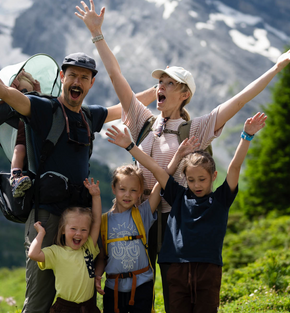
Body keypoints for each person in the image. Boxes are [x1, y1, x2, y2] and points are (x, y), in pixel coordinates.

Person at [76, 0, 290, 311]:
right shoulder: (141, 119)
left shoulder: (198, 128)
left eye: (168, 83)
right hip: (138, 212)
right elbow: (116, 76)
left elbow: (240, 99)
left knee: (171, 285)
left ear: (184, 93)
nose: (159, 86)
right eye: (158, 81)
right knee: (131, 283)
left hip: (174, 216)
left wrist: (277, 66)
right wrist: (97, 34)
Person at [0, 30, 155, 313]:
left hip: (81, 217)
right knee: (41, 295)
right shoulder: (42, 108)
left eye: (84, 77)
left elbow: (125, 106)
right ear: (62, 77)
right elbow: (4, 92)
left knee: (82, 294)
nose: (77, 81)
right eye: (72, 75)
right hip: (46, 216)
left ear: (91, 83)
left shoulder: (89, 115)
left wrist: (157, 91)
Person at [106, 111, 267, 313]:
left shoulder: (221, 199)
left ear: (214, 176)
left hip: (208, 269)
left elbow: (234, 167)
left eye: (202, 179)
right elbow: (156, 169)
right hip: (175, 268)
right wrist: (130, 146)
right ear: (185, 179)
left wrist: (246, 136)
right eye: (191, 180)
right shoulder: (178, 196)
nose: (196, 184)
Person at [94, 163, 189, 313]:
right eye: (122, 189)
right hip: (113, 287)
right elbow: (101, 257)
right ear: (113, 189)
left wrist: (177, 157)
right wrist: (98, 275)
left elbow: (161, 182)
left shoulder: (142, 214)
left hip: (142, 285)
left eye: (133, 190)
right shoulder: (103, 222)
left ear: (140, 192)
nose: (127, 194)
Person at [28, 178, 102, 313]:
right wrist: (40, 234)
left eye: (84, 230)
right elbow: (33, 254)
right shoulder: (56, 252)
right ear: (63, 230)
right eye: (73, 229)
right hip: (65, 308)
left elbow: (97, 221)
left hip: (89, 307)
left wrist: (96, 196)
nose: (78, 234)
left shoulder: (89, 248)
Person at [9, 69, 42, 198]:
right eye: (22, 92)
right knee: (19, 149)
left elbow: (41, 101)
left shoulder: (34, 105)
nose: (26, 96)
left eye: (29, 93)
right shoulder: (13, 105)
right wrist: (14, 85)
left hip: (37, 142)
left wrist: (37, 89)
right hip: (22, 142)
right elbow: (6, 95)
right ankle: (15, 177)